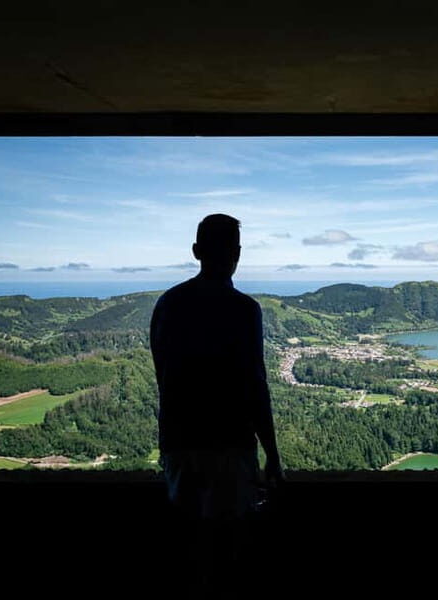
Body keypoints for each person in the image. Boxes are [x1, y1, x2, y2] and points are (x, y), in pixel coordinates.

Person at [150, 214, 283, 587]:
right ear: (238, 254)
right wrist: (272, 455)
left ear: (196, 251)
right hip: (229, 446)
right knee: (229, 550)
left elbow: (165, 376)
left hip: (178, 444)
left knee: (188, 545)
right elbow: (255, 386)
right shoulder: (243, 310)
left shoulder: (168, 305)